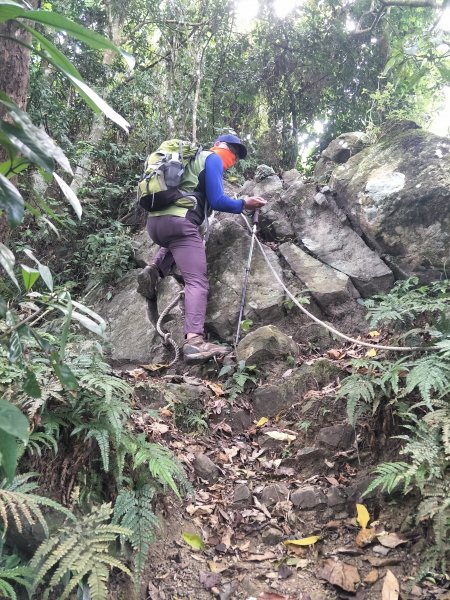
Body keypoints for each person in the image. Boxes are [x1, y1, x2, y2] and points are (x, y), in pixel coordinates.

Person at [138, 133, 266, 363]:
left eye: (236, 156)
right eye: (232, 150)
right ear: (218, 145)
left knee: (178, 242)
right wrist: (243, 203)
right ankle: (194, 342)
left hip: (156, 225)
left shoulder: (187, 162)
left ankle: (153, 270)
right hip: (180, 224)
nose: (233, 158)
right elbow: (217, 201)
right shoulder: (212, 159)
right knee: (197, 281)